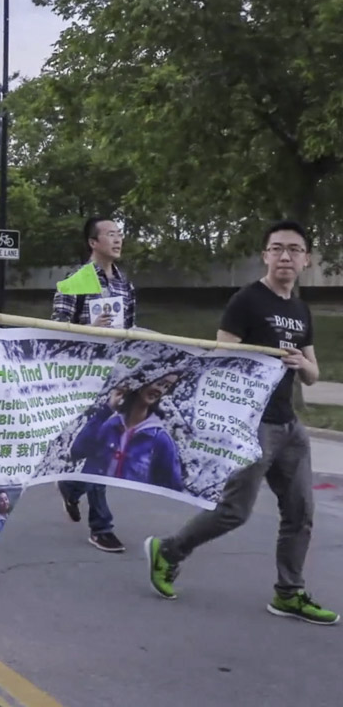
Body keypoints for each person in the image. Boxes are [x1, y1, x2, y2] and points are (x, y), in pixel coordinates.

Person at [146, 220, 339, 626]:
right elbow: (222, 357)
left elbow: (313, 374)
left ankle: (289, 592)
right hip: (254, 425)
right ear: (265, 255)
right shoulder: (247, 301)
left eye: (294, 249)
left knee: (301, 512)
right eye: (277, 248)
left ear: (305, 259)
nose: (285, 256)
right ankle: (169, 550)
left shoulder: (300, 309)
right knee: (234, 512)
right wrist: (263, 357)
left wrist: (302, 363)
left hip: (289, 425)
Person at [50, 216, 136, 553]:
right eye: (110, 235)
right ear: (93, 242)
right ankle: (101, 526)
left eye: (119, 234)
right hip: (82, 378)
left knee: (107, 447)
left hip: (115, 377)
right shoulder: (75, 281)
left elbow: (130, 331)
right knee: (100, 448)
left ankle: (71, 487)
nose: (117, 240)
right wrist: (88, 327)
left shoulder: (125, 284)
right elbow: (56, 330)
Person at [71, 374, 183, 491]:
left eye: (166, 386)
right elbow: (77, 451)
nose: (160, 390)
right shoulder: (109, 426)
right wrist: (107, 409)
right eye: (159, 383)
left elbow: (172, 489)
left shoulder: (160, 439)